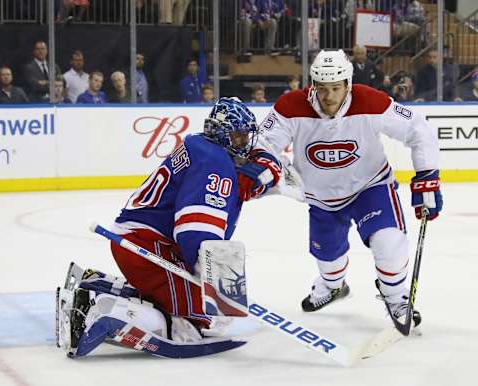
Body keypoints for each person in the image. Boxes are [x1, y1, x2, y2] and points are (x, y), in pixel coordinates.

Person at [56, 97, 281, 357]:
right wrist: (208, 275)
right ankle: (100, 315)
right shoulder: (214, 162)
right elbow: (195, 228)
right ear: (223, 135)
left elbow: (258, 157)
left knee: (205, 311)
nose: (245, 142)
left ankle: (102, 286)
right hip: (145, 246)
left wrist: (266, 169)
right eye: (239, 136)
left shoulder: (202, 146)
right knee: (203, 321)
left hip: (138, 242)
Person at [244, 49, 442, 326]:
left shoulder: (371, 100)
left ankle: (396, 298)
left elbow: (418, 129)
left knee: (389, 242)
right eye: (322, 89)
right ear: (312, 84)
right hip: (320, 195)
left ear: (348, 83)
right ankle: (333, 285)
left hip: (370, 187)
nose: (329, 97)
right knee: (328, 257)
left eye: (336, 88)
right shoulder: (290, 106)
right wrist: (263, 166)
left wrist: (427, 176)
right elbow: (263, 143)